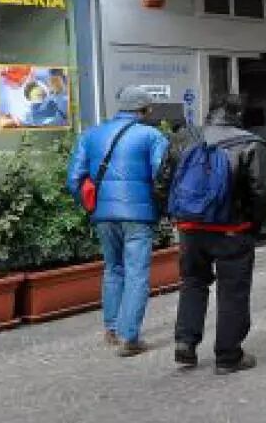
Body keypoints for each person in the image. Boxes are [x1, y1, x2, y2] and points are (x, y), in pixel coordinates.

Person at [156, 94, 266, 375]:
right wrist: (253, 226)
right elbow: (262, 193)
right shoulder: (251, 143)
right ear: (238, 114)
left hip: (190, 227)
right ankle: (228, 356)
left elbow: (162, 181)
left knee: (192, 282)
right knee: (232, 290)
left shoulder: (183, 138)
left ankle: (185, 342)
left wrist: (175, 216)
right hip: (233, 229)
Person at [66, 86, 169, 356]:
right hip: (139, 214)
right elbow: (162, 175)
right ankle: (129, 337)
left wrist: (91, 205)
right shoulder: (152, 135)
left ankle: (112, 329)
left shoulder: (90, 135)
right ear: (145, 109)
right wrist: (161, 208)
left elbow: (73, 179)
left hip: (103, 213)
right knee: (136, 273)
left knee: (113, 268)